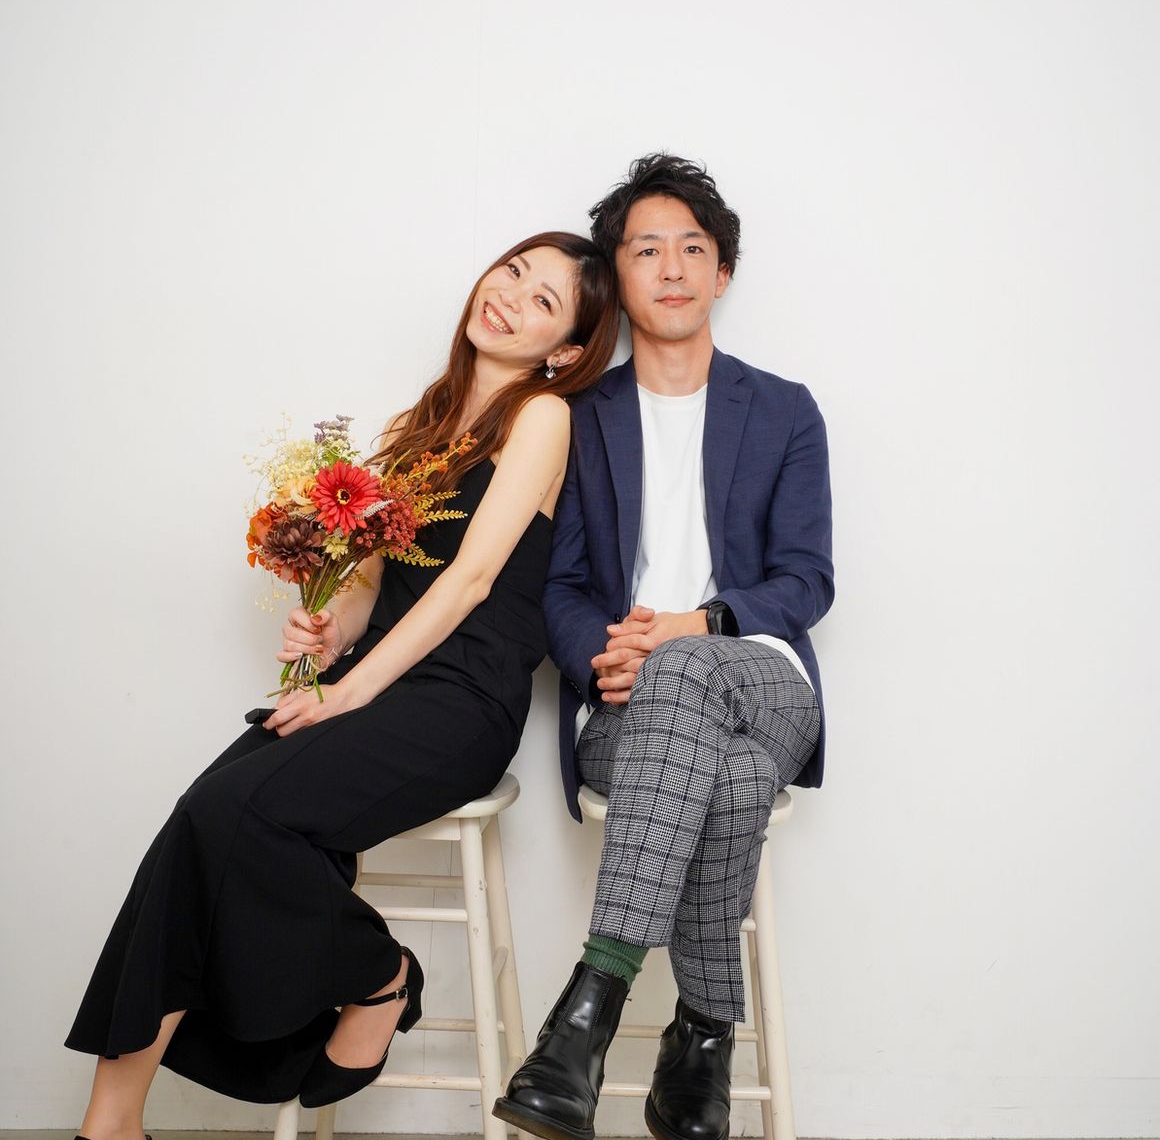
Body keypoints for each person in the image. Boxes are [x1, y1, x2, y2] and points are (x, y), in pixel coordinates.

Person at [65, 231, 620, 1137]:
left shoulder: (542, 417)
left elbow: (470, 580)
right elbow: (369, 590)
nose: (510, 296)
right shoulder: (417, 425)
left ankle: (379, 976)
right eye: (513, 271)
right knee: (200, 816)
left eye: (544, 302)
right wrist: (327, 630)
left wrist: (350, 693)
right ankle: (112, 1121)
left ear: (563, 350)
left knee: (235, 815)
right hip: (376, 676)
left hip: (462, 699)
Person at [494, 155, 834, 1140]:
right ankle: (703, 1037)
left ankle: (584, 1016)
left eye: (692, 248)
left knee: (687, 668)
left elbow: (806, 580)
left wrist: (695, 626)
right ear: (619, 273)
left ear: (722, 271)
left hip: (762, 681)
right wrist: (601, 656)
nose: (673, 267)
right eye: (647, 250)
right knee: (731, 778)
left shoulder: (784, 410)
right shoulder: (576, 418)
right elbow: (559, 585)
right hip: (625, 704)